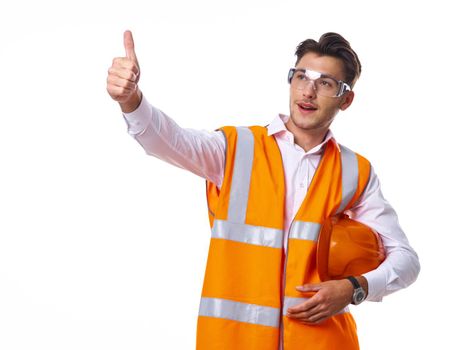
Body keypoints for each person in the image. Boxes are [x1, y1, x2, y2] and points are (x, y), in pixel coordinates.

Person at [107, 30, 420, 350]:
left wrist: (355, 288)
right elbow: (167, 140)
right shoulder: (237, 148)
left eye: (325, 83)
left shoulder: (355, 171)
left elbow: (406, 260)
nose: (309, 91)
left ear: (346, 99)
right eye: (302, 76)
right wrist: (131, 100)